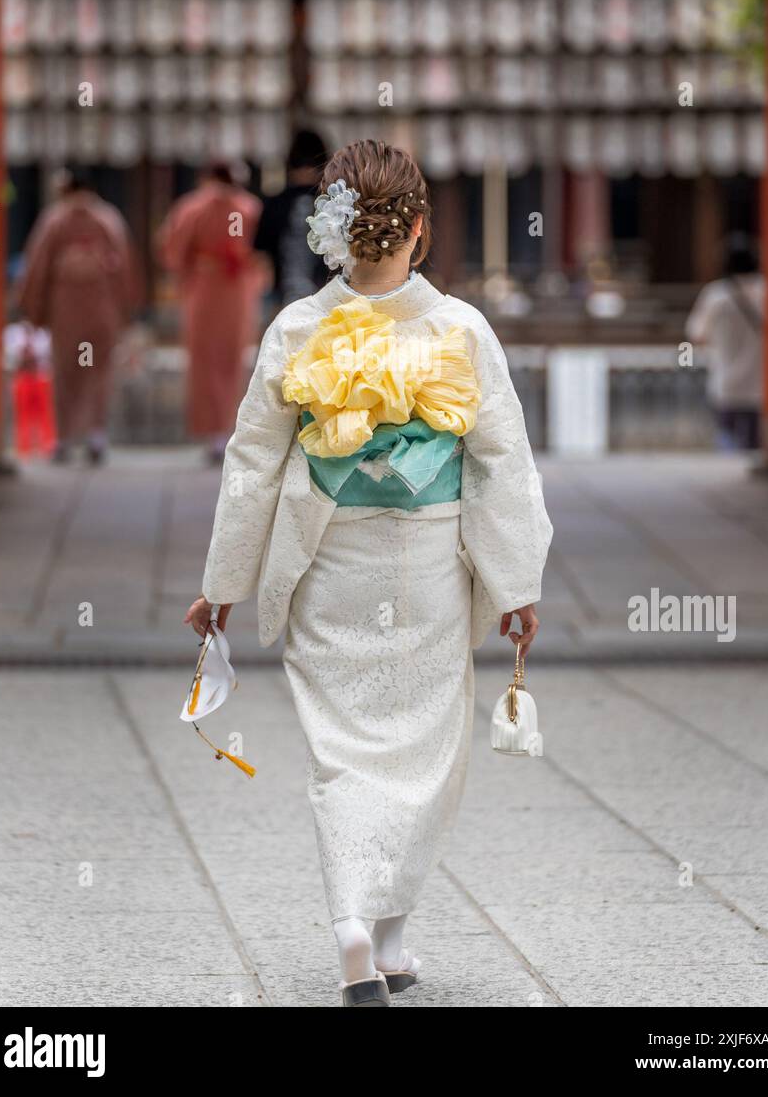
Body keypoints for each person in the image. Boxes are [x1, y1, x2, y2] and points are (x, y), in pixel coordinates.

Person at [184, 140, 553, 1006]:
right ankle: (381, 928)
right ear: (419, 231)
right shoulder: (460, 329)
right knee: (425, 746)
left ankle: (366, 932)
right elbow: (502, 463)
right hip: (428, 560)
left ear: (332, 232)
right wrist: (516, 585)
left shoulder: (298, 329)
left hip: (329, 556)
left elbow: (251, 465)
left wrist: (223, 583)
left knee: (344, 750)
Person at [18, 168, 140, 465]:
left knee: (66, 371)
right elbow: (125, 267)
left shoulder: (55, 220)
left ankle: (64, 437)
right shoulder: (108, 219)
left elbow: (38, 268)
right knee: (98, 371)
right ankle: (95, 434)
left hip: (65, 310)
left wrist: (33, 310)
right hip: (102, 309)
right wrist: (128, 310)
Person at [159, 163, 265, 465]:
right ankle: (232, 429)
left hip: (205, 287)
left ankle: (213, 435)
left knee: (204, 358)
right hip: (239, 288)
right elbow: (262, 252)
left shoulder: (193, 207)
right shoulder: (249, 207)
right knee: (234, 357)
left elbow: (173, 250)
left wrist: (186, 273)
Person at [686, 234, 766, 451]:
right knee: (755, 444)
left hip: (726, 384)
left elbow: (696, 334)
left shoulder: (715, 295)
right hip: (762, 385)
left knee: (728, 443)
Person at [254, 128, 330, 304]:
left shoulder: (275, 202)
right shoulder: (334, 202)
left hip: (283, 293)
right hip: (326, 292)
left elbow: (260, 252)